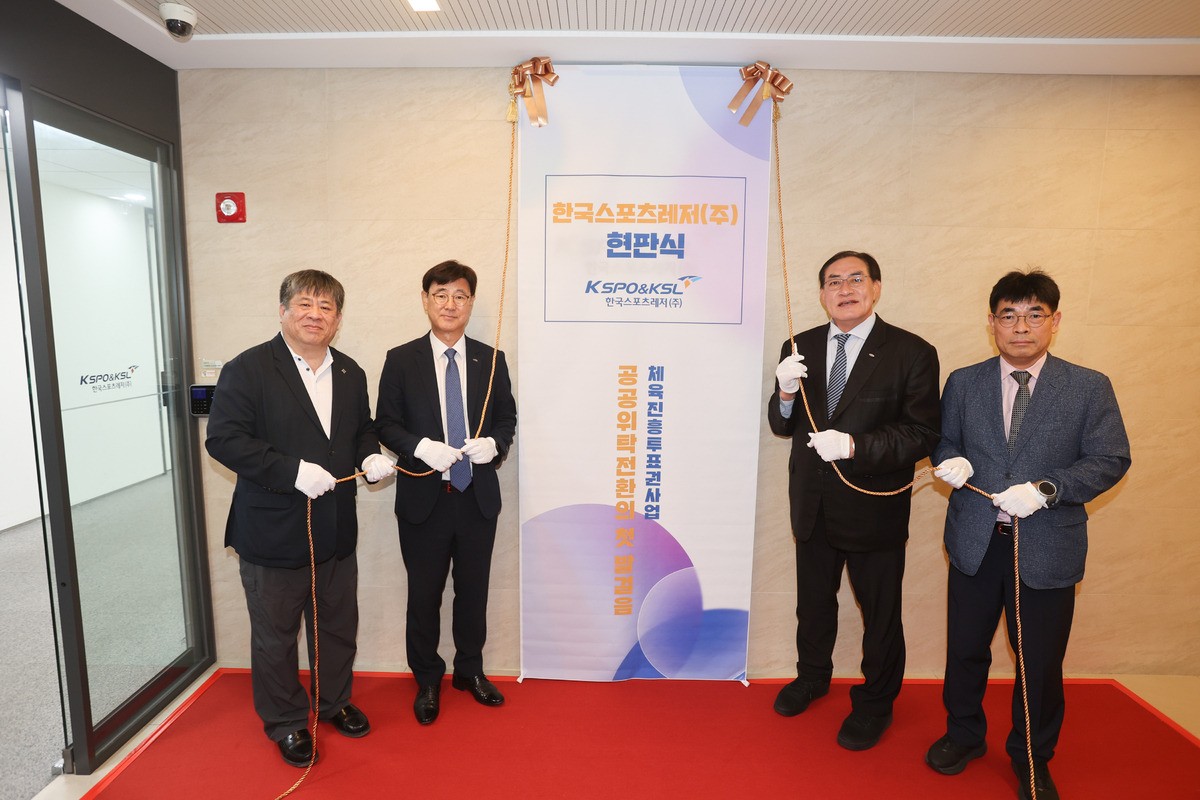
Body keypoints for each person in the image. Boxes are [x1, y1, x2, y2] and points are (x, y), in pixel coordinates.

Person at [925, 269, 1130, 800]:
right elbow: (944, 441)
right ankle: (963, 735)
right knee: (965, 649)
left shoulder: (1088, 386)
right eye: (1009, 315)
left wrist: (1046, 488)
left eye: (1034, 314)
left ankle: (1032, 757)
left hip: (1047, 544)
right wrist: (951, 461)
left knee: (1038, 660)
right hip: (975, 540)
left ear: (1054, 321)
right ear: (991, 322)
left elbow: (1110, 459)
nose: (1021, 326)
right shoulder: (963, 381)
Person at [205, 270, 395, 767]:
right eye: (305, 304)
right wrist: (291, 471)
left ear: (338, 318)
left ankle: (333, 702)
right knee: (276, 637)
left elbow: (362, 430)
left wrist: (371, 454)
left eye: (326, 307)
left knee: (337, 627)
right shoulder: (247, 368)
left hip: (336, 529)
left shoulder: (350, 371)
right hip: (271, 530)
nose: (315, 314)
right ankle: (286, 721)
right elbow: (223, 440)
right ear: (283, 310)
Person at [767, 250, 941, 750]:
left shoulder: (911, 351)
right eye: (833, 281)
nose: (844, 289)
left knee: (880, 614)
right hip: (813, 503)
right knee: (813, 604)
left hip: (874, 505)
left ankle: (876, 703)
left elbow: (922, 434)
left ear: (876, 288)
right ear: (822, 294)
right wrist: (784, 393)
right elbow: (782, 424)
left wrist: (854, 445)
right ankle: (812, 677)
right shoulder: (798, 345)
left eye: (855, 279)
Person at [375, 260, 517, 725]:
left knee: (473, 592)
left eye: (460, 295)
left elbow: (506, 418)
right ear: (425, 300)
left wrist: (494, 445)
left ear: (471, 302)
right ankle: (428, 679)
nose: (450, 304)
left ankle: (470, 671)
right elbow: (385, 424)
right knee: (424, 595)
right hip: (424, 498)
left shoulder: (491, 359)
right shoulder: (401, 359)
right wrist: (420, 447)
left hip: (477, 497)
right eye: (440, 294)